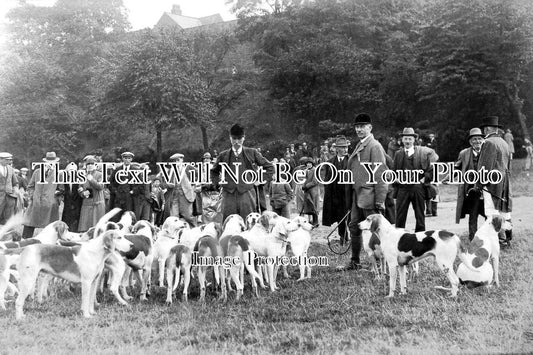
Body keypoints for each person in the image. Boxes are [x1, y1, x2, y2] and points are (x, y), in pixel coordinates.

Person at [339, 113, 388, 271]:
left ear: (370, 128)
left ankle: (380, 264)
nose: (359, 129)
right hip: (357, 195)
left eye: (362, 126)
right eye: (357, 126)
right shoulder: (360, 145)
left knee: (375, 231)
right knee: (354, 227)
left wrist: (379, 200)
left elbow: (381, 175)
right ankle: (355, 261)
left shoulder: (374, 146)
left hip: (370, 197)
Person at [211, 123, 274, 221]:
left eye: (239, 139)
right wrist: (218, 184)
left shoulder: (252, 152)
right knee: (229, 222)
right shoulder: (223, 155)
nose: (236, 141)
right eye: (234, 138)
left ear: (244, 138)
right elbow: (213, 172)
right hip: (229, 194)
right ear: (230, 138)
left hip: (247, 193)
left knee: (249, 222)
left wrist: (260, 180)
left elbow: (270, 167)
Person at [392, 128, 438, 232]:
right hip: (403, 188)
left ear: (414, 140)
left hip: (418, 188)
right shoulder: (398, 154)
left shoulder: (422, 153)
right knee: (400, 215)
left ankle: (420, 238)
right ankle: (399, 239)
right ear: (402, 140)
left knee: (420, 214)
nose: (407, 141)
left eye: (410, 139)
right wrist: (396, 179)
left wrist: (423, 180)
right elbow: (393, 171)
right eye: (405, 139)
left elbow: (432, 170)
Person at [477, 116, 513, 247]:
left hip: (492, 183)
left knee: (492, 211)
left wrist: (479, 185)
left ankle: (500, 240)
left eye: (484, 129)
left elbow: (485, 166)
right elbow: (509, 165)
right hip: (505, 181)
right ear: (496, 129)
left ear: (487, 129)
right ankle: (507, 237)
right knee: (504, 209)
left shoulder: (488, 143)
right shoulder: (504, 142)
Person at [22, 152, 62, 239]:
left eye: (53, 162)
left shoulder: (59, 174)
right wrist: (33, 196)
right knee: (29, 224)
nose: (50, 163)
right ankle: (24, 243)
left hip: (50, 204)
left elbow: (61, 189)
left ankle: (48, 245)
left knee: (50, 228)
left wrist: (56, 199)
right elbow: (30, 186)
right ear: (45, 162)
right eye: (48, 161)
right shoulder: (37, 172)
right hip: (36, 203)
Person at [455, 128, 485, 240]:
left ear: (483, 140)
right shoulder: (464, 153)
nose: (477, 141)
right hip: (472, 190)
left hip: (487, 189)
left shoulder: (488, 152)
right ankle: (473, 238)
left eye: (479, 139)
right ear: (470, 142)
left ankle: (490, 236)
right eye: (474, 139)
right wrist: (447, 177)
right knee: (473, 214)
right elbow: (456, 167)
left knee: (489, 214)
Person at [322, 135, 351, 245]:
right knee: (340, 218)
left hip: (348, 195)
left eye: (346, 147)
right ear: (337, 149)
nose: (345, 150)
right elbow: (327, 180)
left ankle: (355, 239)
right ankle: (343, 238)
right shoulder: (330, 162)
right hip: (335, 196)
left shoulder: (351, 161)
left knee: (351, 218)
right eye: (342, 147)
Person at [166, 153, 196, 226]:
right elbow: (163, 183)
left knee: (188, 216)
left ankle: (194, 230)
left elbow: (198, 178)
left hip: (186, 195)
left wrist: (193, 187)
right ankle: (175, 234)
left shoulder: (189, 168)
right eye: (174, 161)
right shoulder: (170, 171)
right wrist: (168, 185)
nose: (176, 162)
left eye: (178, 160)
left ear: (182, 160)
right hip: (174, 195)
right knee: (173, 217)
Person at [78, 156, 106, 232]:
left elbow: (100, 187)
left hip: (97, 204)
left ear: (95, 165)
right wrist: (83, 193)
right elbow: (80, 188)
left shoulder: (100, 174)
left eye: (92, 164)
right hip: (87, 204)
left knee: (97, 228)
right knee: (85, 229)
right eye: (88, 164)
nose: (90, 165)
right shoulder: (82, 175)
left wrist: (91, 179)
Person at [109, 151, 136, 220]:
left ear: (131, 159)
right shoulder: (117, 170)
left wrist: (133, 191)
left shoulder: (136, 170)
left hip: (129, 198)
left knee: (128, 216)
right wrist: (115, 191)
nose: (127, 160)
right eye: (125, 158)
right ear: (123, 159)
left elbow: (140, 184)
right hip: (118, 198)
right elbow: (110, 183)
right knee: (116, 216)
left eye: (129, 158)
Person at [60, 162, 83, 232]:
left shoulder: (80, 179)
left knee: (75, 223)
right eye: (70, 170)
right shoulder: (64, 179)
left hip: (77, 204)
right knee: (66, 221)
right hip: (67, 204)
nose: (71, 172)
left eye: (73, 171)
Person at [422, 132, 439, 217]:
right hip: (429, 172)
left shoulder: (434, 143)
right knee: (431, 192)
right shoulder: (427, 149)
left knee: (432, 192)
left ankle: (432, 211)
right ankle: (430, 211)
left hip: (432, 172)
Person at [0, 152, 19, 225]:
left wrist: (16, 189)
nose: (9, 161)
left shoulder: (10, 168)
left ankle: (6, 234)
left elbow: (15, 182)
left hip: (10, 196)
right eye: (7, 160)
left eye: (10, 160)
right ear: (0, 159)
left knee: (8, 218)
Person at [301, 158, 320, 227]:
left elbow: (315, 181)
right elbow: (304, 180)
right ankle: (312, 220)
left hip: (313, 191)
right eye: (307, 163)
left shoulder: (315, 170)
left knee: (314, 205)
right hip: (308, 191)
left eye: (310, 163)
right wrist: (303, 186)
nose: (308, 165)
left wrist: (307, 186)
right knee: (309, 206)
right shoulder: (306, 171)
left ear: (312, 164)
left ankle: (316, 221)